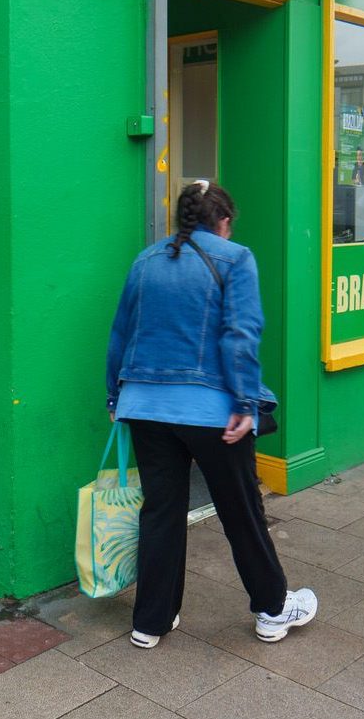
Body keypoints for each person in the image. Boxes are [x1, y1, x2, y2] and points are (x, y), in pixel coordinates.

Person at [106, 180, 317, 646]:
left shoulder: (145, 260)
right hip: (212, 411)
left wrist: (114, 398)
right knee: (241, 510)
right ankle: (273, 609)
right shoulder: (234, 257)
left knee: (161, 512)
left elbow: (120, 333)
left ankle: (150, 622)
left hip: (144, 406)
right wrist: (245, 402)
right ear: (223, 221)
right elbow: (241, 333)